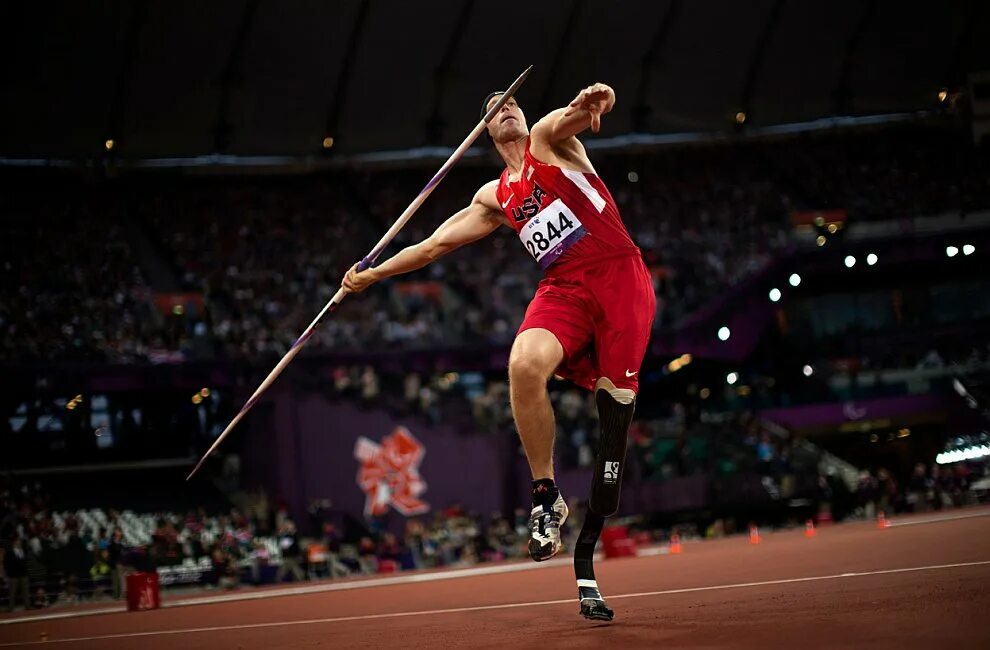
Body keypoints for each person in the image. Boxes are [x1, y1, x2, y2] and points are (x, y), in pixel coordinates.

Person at [344, 82, 654, 620]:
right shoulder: (496, 196)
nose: (505, 109)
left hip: (620, 282)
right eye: (493, 110)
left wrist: (593, 104)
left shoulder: (548, 143)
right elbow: (434, 245)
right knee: (522, 364)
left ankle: (589, 548)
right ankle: (545, 498)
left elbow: (570, 117)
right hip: (563, 288)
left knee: (613, 428)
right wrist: (372, 275)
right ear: (486, 131)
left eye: (510, 103)